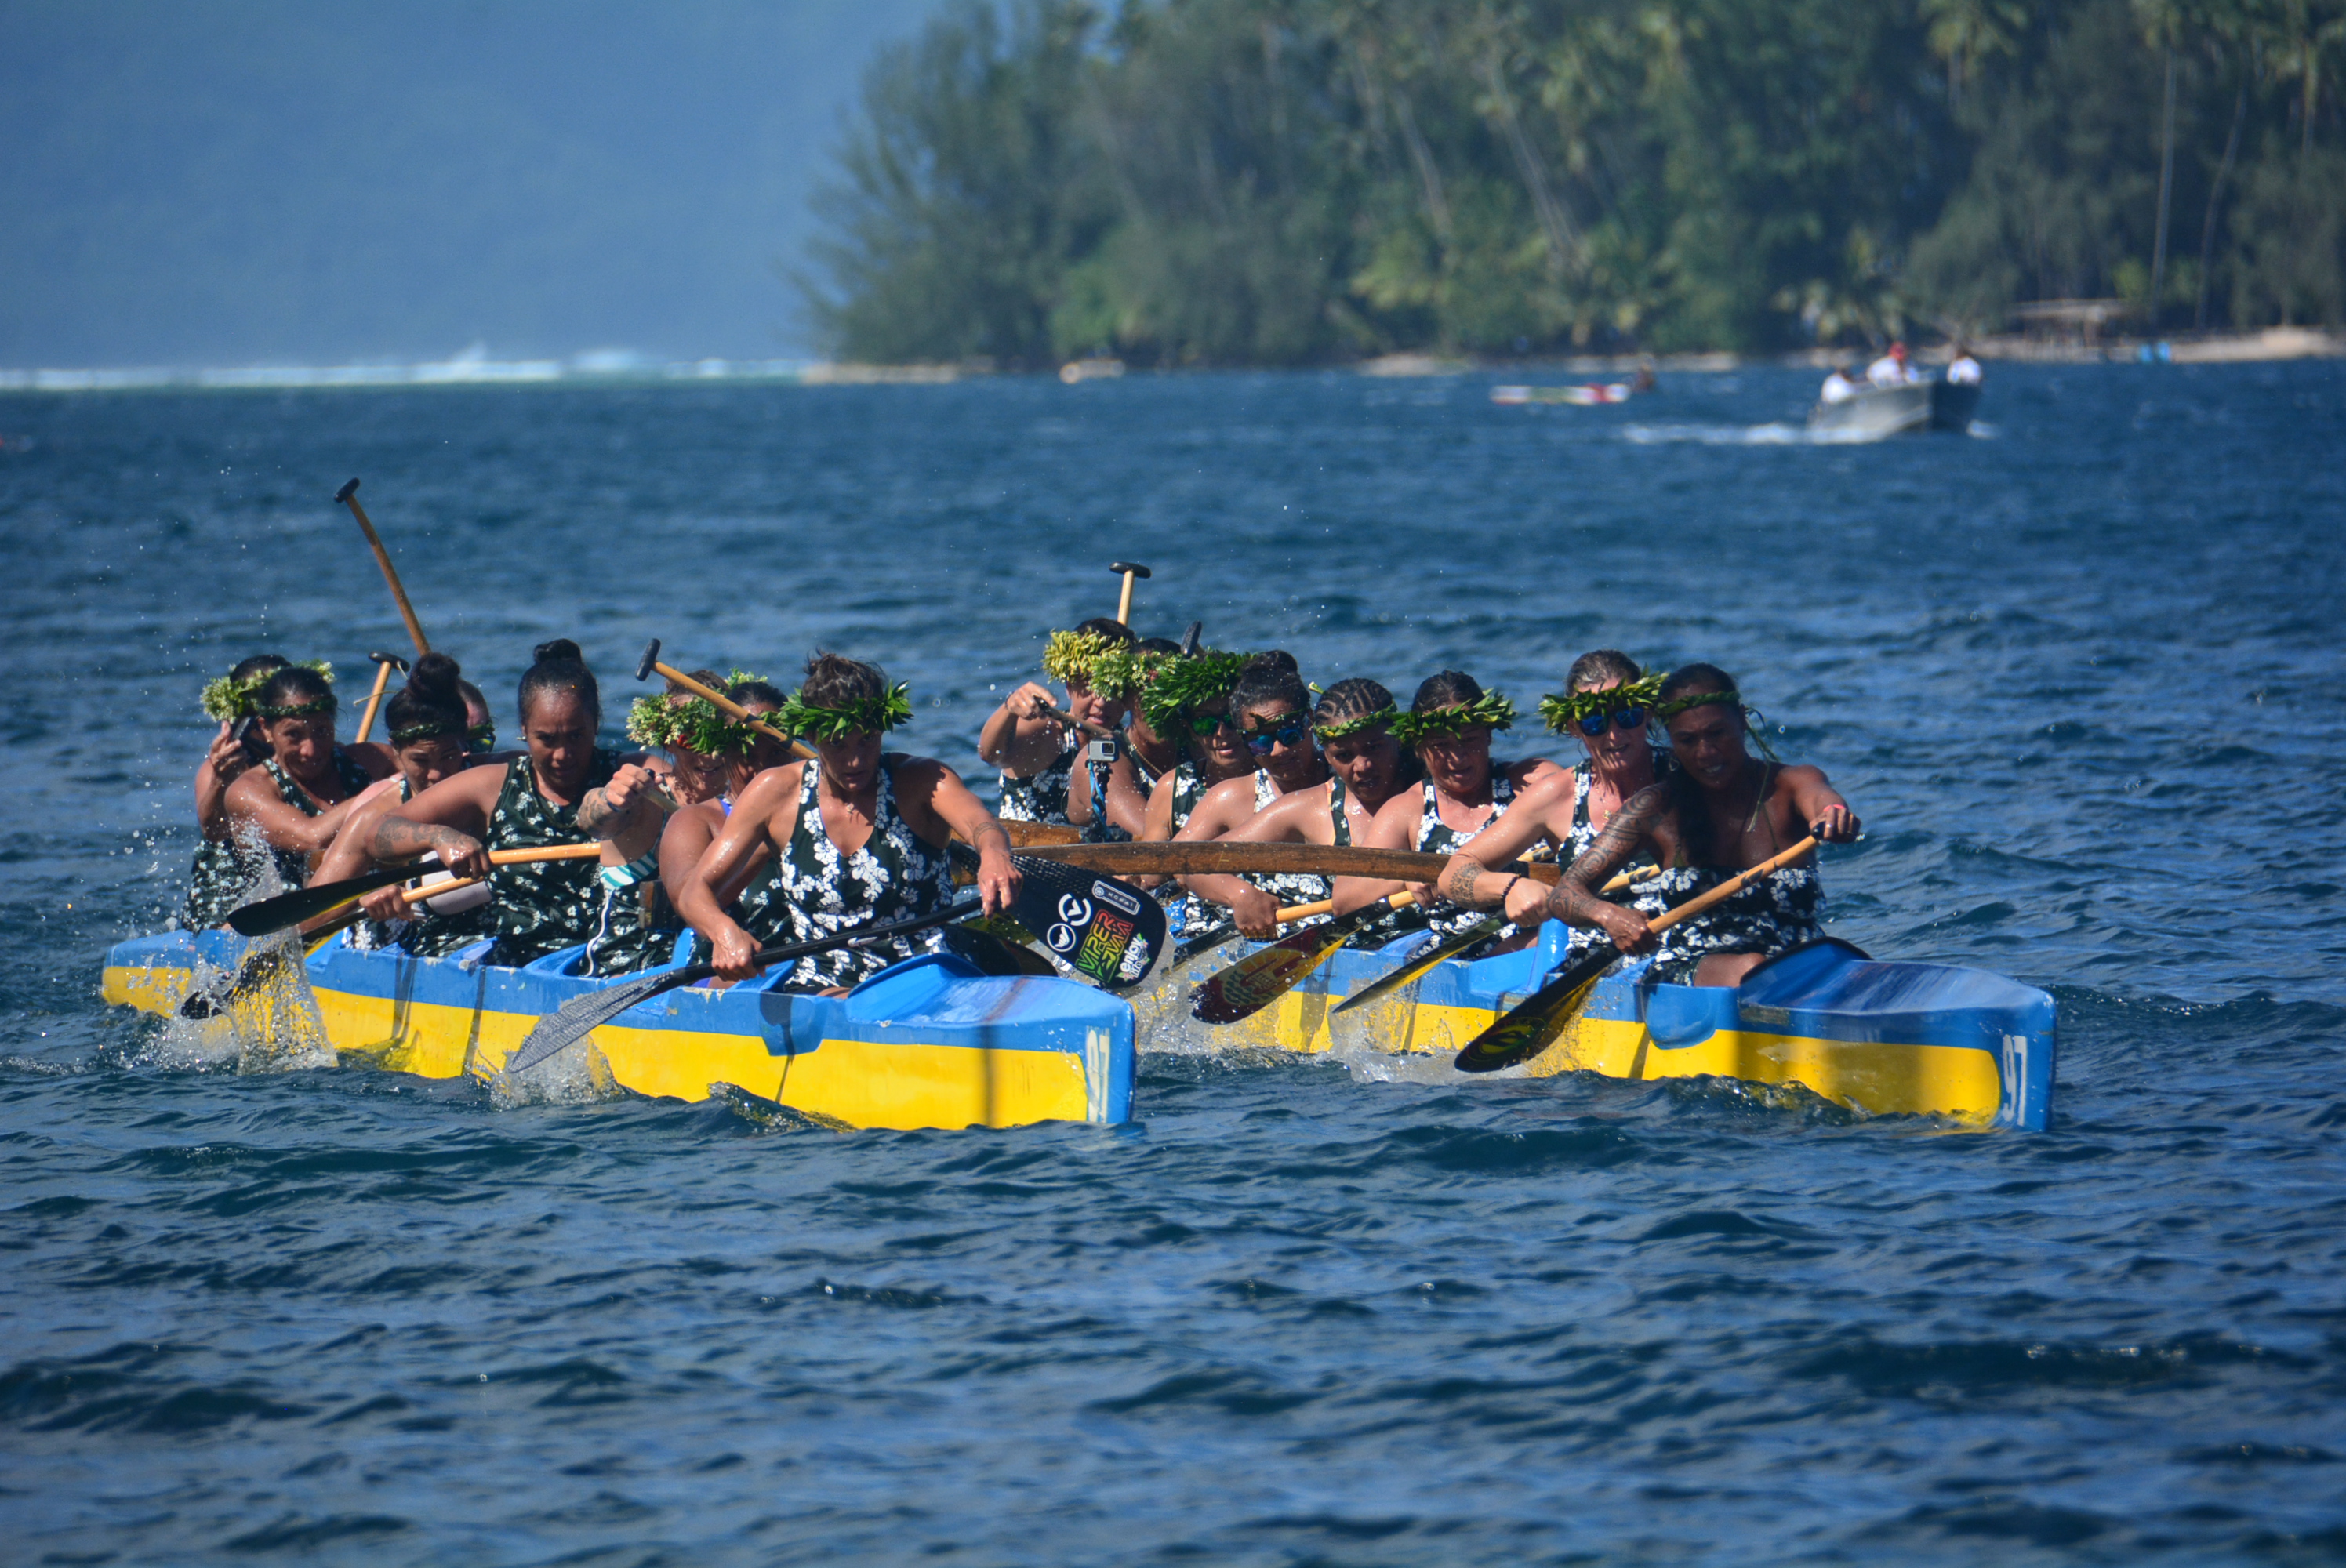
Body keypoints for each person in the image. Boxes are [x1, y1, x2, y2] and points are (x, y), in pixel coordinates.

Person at [1473, 663, 1861, 987]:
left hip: (1802, 966)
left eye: (1717, 734)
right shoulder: (1654, 808)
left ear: (1742, 721)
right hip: (1697, 969)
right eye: (1687, 740)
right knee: (1752, 969)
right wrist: (1609, 916)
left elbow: (1823, 798)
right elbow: (1566, 894)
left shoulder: (1792, 784)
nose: (1705, 752)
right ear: (1671, 740)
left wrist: (1833, 814)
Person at [677, 653, 1020, 993]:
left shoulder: (924, 780)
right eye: (837, 744)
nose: (855, 760)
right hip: (824, 983)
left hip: (928, 972)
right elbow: (695, 893)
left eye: (867, 740)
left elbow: (983, 825)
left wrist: (994, 856)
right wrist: (724, 932)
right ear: (810, 735)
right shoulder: (774, 793)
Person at [367, 640, 670, 973]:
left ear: (596, 724)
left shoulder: (637, 770)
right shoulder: (491, 785)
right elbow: (377, 832)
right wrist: (440, 838)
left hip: (625, 960)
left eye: (576, 736)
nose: (562, 755)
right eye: (547, 739)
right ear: (524, 730)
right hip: (523, 970)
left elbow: (700, 809)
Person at [1434, 650, 1672, 964]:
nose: (1614, 734)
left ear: (1649, 712)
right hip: (1587, 958)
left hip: (1676, 943)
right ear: (1574, 727)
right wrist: (1512, 887)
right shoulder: (1559, 795)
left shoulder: (1683, 778)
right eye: (1594, 721)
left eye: (1627, 715)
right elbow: (1453, 873)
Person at [1184, 677, 1422, 943]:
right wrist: (1240, 895)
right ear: (1328, 755)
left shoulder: (1438, 788)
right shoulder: (1310, 807)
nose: (1363, 765)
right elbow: (1195, 863)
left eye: (1374, 748)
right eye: (1344, 756)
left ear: (1399, 738)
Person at [1333, 672, 1561, 940]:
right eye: (1441, 745)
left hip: (1545, 943)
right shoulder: (1409, 809)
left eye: (1470, 739)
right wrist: (1408, 873)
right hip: (1460, 956)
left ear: (1488, 735)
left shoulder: (1533, 783)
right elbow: (1343, 901)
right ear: (1418, 746)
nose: (1457, 757)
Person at [308, 652, 499, 956]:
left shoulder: (498, 774)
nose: (436, 775)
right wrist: (364, 898)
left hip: (498, 936)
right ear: (396, 751)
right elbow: (311, 914)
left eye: (448, 757)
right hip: (409, 937)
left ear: (465, 744)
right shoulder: (375, 814)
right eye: (420, 761)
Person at [635, 675, 797, 971]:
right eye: (747, 754)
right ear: (724, 753)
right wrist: (762, 837)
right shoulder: (695, 821)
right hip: (731, 972)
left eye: (775, 752)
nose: (763, 770)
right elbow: (688, 902)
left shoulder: (822, 810)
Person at [1168, 660, 1335, 945]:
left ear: (1310, 720)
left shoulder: (1349, 776)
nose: (1279, 750)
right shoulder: (1231, 797)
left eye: (1289, 733)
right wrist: (1239, 894)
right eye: (1261, 742)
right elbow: (1182, 862)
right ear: (1245, 742)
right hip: (1264, 944)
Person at [216, 661, 400, 905]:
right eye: (293, 735)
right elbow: (311, 838)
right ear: (266, 729)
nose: (310, 750)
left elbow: (431, 777)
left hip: (374, 904)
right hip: (287, 921)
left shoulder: (370, 760)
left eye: (322, 731)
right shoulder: (248, 790)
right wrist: (384, 791)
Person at [979, 619, 1146, 840]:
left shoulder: (1132, 743)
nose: (1101, 702)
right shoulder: (1044, 732)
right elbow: (991, 754)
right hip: (1030, 865)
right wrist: (1009, 708)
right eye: (1088, 685)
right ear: (1068, 685)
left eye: (1113, 688)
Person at [183, 652, 289, 927]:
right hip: (231, 898)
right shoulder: (216, 769)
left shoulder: (310, 751)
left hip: (297, 887)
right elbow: (214, 830)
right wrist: (222, 780)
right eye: (262, 721)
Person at [1135, 648, 1258, 846]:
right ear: (1189, 729)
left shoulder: (1280, 776)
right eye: (1204, 723)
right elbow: (1149, 875)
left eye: (1231, 718)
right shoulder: (1170, 790)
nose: (1221, 732)